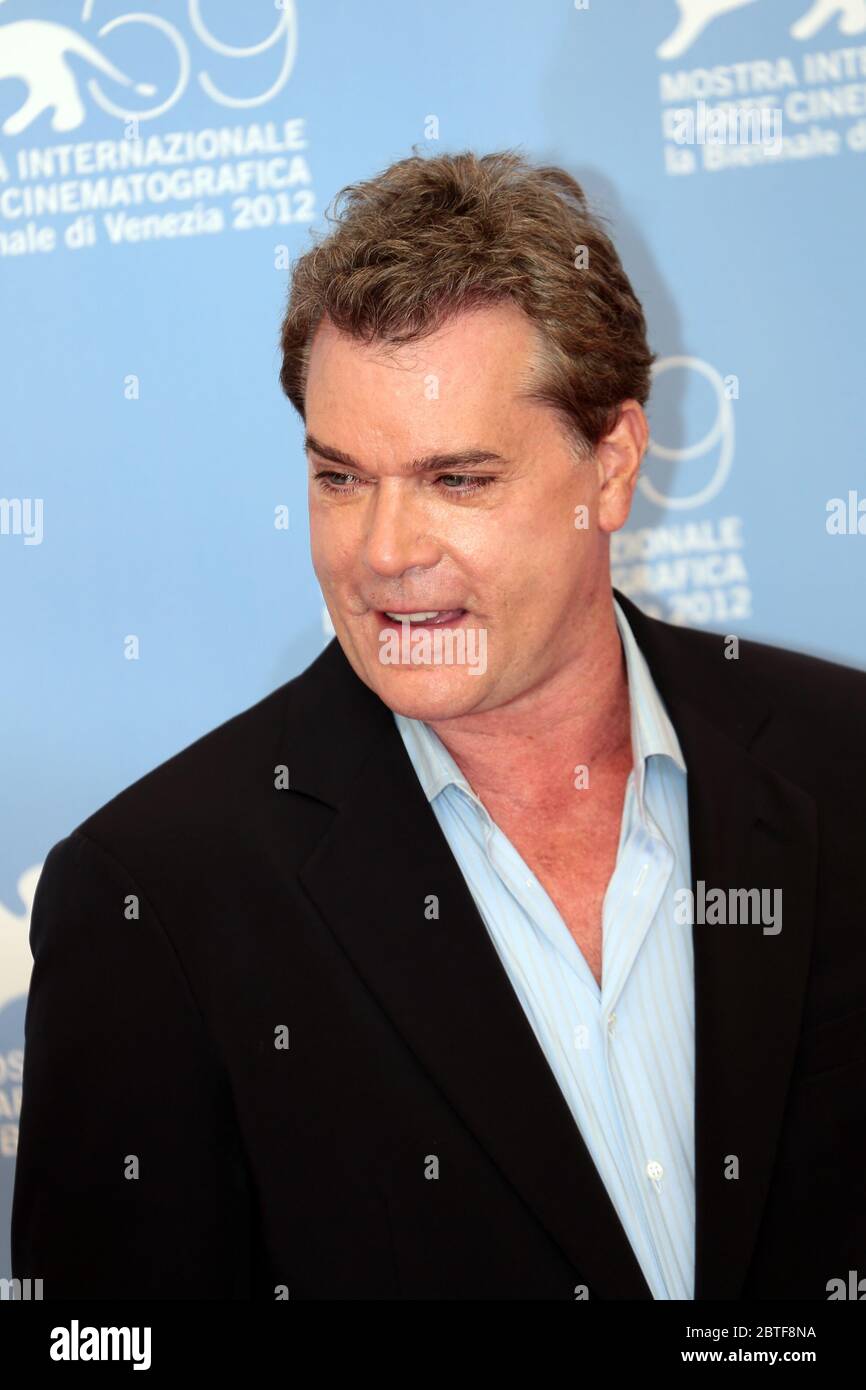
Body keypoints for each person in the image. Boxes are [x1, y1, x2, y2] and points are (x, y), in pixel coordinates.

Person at [12, 150, 866, 1301]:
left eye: (456, 480)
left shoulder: (841, 762)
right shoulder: (158, 900)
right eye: (340, 478)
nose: (384, 553)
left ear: (609, 466)